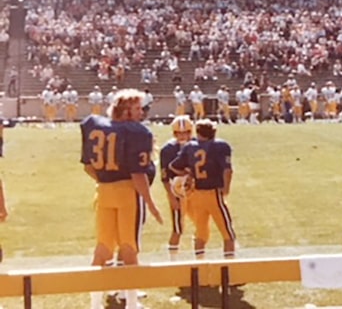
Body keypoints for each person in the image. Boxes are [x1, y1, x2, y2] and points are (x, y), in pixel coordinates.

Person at [80, 88, 163, 309]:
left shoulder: (94, 124)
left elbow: (88, 166)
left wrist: (106, 180)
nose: (140, 113)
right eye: (136, 108)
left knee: (103, 248)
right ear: (125, 111)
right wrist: (152, 205)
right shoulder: (137, 132)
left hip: (104, 191)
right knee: (129, 247)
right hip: (128, 194)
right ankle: (131, 303)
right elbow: (138, 174)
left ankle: (95, 305)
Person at [169, 119, 235, 258]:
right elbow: (227, 170)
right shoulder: (220, 146)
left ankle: (199, 265)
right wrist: (226, 188)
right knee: (228, 233)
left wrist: (190, 174)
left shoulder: (189, 147)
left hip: (196, 194)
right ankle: (230, 268)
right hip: (213, 193)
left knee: (201, 233)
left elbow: (174, 166)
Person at [159, 115, 195, 260]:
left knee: (200, 226)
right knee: (178, 228)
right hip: (177, 191)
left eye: (186, 132)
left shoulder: (196, 145)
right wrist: (171, 196)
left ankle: (199, 258)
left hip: (195, 191)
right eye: (179, 133)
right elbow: (165, 177)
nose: (182, 136)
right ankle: (172, 260)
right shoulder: (167, 149)